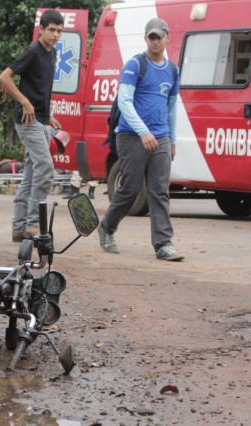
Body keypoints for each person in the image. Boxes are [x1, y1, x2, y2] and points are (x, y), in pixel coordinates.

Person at [97, 17, 183, 261]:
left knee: (160, 190)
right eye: (151, 37)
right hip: (131, 136)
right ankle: (107, 227)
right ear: (146, 39)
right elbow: (124, 101)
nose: (155, 41)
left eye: (159, 36)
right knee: (131, 189)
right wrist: (143, 132)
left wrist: (172, 140)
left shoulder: (172, 70)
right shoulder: (135, 65)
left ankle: (163, 244)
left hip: (161, 137)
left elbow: (171, 108)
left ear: (168, 37)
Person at [0, 9, 64, 242]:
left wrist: (50, 114)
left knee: (30, 175)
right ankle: (33, 223)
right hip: (28, 121)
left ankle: (18, 227)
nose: (55, 35)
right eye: (51, 30)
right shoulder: (33, 51)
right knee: (45, 168)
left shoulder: (52, 53)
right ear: (42, 30)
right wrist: (24, 101)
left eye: (59, 31)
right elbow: (4, 77)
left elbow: (42, 86)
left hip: (42, 120)